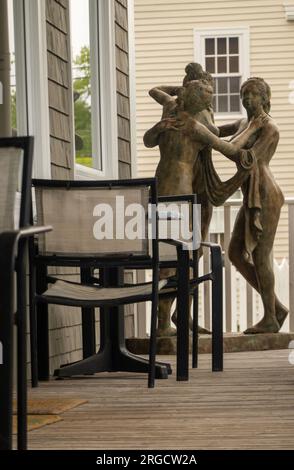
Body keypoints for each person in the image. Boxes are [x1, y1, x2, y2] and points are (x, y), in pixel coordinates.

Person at [144, 78, 264, 336]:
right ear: (197, 100)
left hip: (164, 189)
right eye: (207, 99)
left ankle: (170, 320)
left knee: (175, 256)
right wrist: (252, 128)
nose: (210, 103)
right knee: (178, 257)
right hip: (179, 192)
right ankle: (164, 324)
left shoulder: (171, 109)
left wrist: (166, 115)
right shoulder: (195, 125)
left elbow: (155, 96)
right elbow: (229, 148)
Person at [222, 77, 289, 333]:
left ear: (264, 98)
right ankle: (277, 308)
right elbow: (214, 133)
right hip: (250, 192)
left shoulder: (268, 127)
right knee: (236, 253)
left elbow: (240, 153)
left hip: (266, 194)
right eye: (244, 94)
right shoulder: (243, 123)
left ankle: (270, 318)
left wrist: (249, 131)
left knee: (261, 254)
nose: (247, 99)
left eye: (253, 95)